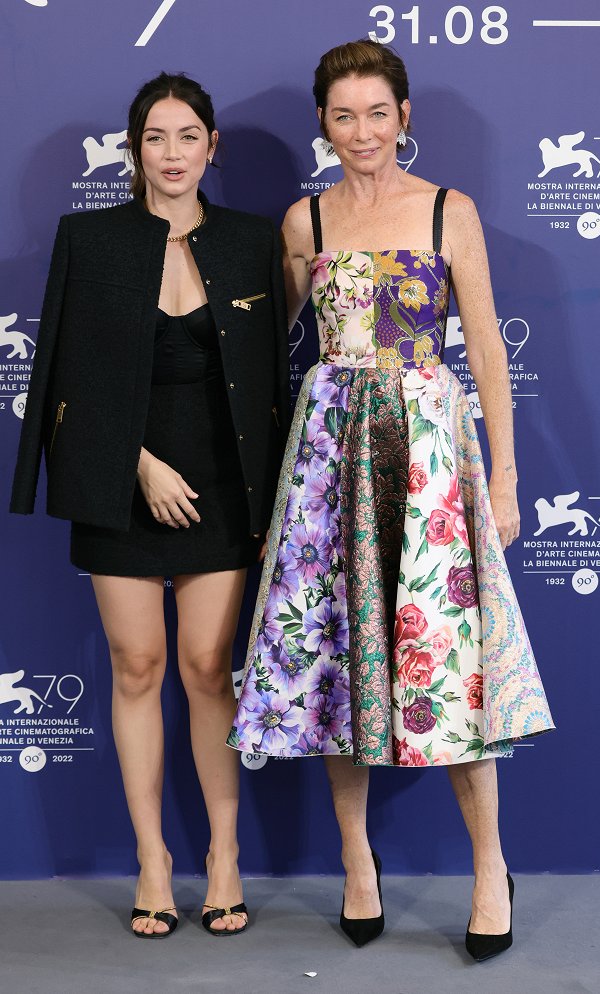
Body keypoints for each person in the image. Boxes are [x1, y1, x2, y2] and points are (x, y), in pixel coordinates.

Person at [229, 40, 554, 960]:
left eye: (378, 112)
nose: (362, 132)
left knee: (447, 665)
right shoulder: (305, 223)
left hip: (429, 461)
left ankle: (490, 869)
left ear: (404, 117)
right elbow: (263, 353)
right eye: (343, 115)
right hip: (328, 460)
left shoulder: (450, 211)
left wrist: (503, 475)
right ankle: (355, 863)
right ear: (322, 125)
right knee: (339, 659)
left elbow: (486, 350)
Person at [11, 72, 290, 938]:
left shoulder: (251, 243)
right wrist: (137, 465)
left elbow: (270, 364)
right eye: (155, 138)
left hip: (222, 484)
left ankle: (223, 857)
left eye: (187, 137)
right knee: (137, 668)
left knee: (209, 669)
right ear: (135, 151)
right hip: (120, 483)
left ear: (214, 148)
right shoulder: (88, 240)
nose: (172, 155)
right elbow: (61, 373)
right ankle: (152, 861)